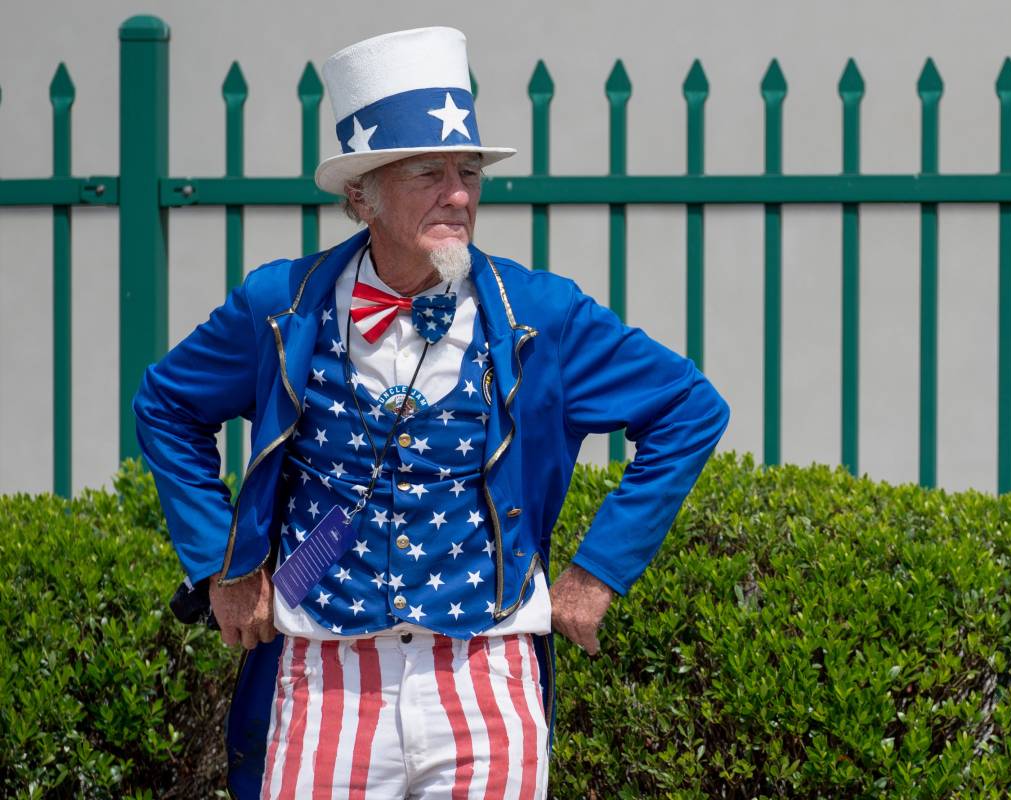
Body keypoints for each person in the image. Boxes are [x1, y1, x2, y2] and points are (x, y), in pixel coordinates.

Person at [133, 27, 729, 798]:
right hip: (322, 673)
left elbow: (689, 407)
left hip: (488, 673)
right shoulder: (278, 305)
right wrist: (224, 564)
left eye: (469, 172)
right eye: (429, 173)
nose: (459, 194)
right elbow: (167, 405)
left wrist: (598, 572)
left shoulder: (539, 315)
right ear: (362, 194)